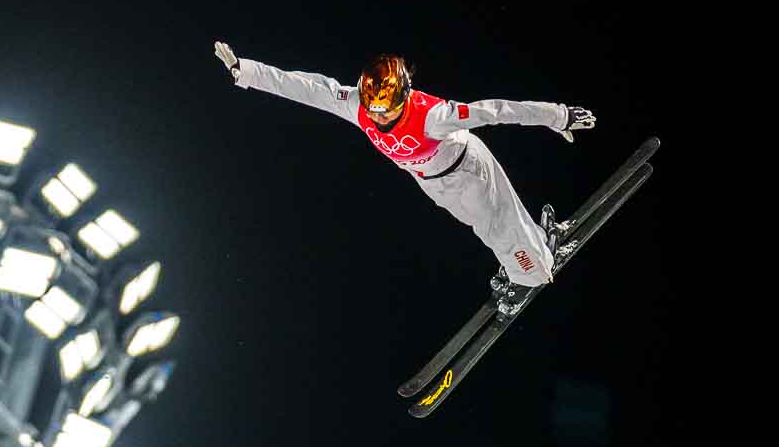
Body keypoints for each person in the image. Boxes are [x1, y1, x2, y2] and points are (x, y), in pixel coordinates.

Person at [212, 42, 595, 314]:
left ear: (404, 97)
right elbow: (307, 88)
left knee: (496, 223)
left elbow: (494, 111)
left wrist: (557, 116)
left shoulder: (432, 115)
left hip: (467, 168)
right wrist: (246, 71)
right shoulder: (356, 106)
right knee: (484, 226)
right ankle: (534, 249)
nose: (377, 117)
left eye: (386, 110)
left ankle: (528, 270)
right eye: (373, 108)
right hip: (430, 180)